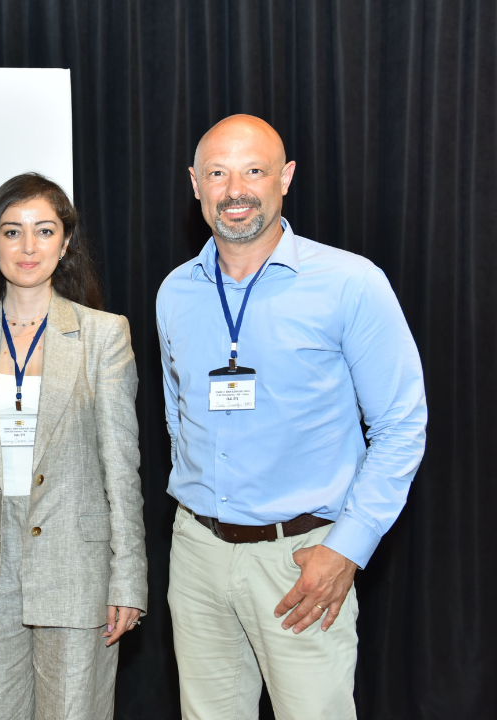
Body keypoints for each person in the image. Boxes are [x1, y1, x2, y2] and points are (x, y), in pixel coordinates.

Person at [158, 114, 427, 719]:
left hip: (302, 559)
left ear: (286, 178)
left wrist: (347, 548)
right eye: (218, 173)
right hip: (197, 555)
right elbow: (179, 413)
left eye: (254, 170)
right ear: (195, 184)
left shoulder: (351, 284)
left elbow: (400, 426)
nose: (236, 190)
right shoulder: (176, 291)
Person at [0, 173, 147, 719]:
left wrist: (128, 578)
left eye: (44, 231)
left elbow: (121, 469)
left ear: (65, 243)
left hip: (78, 567)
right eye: (12, 232)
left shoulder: (103, 336)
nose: (28, 247)